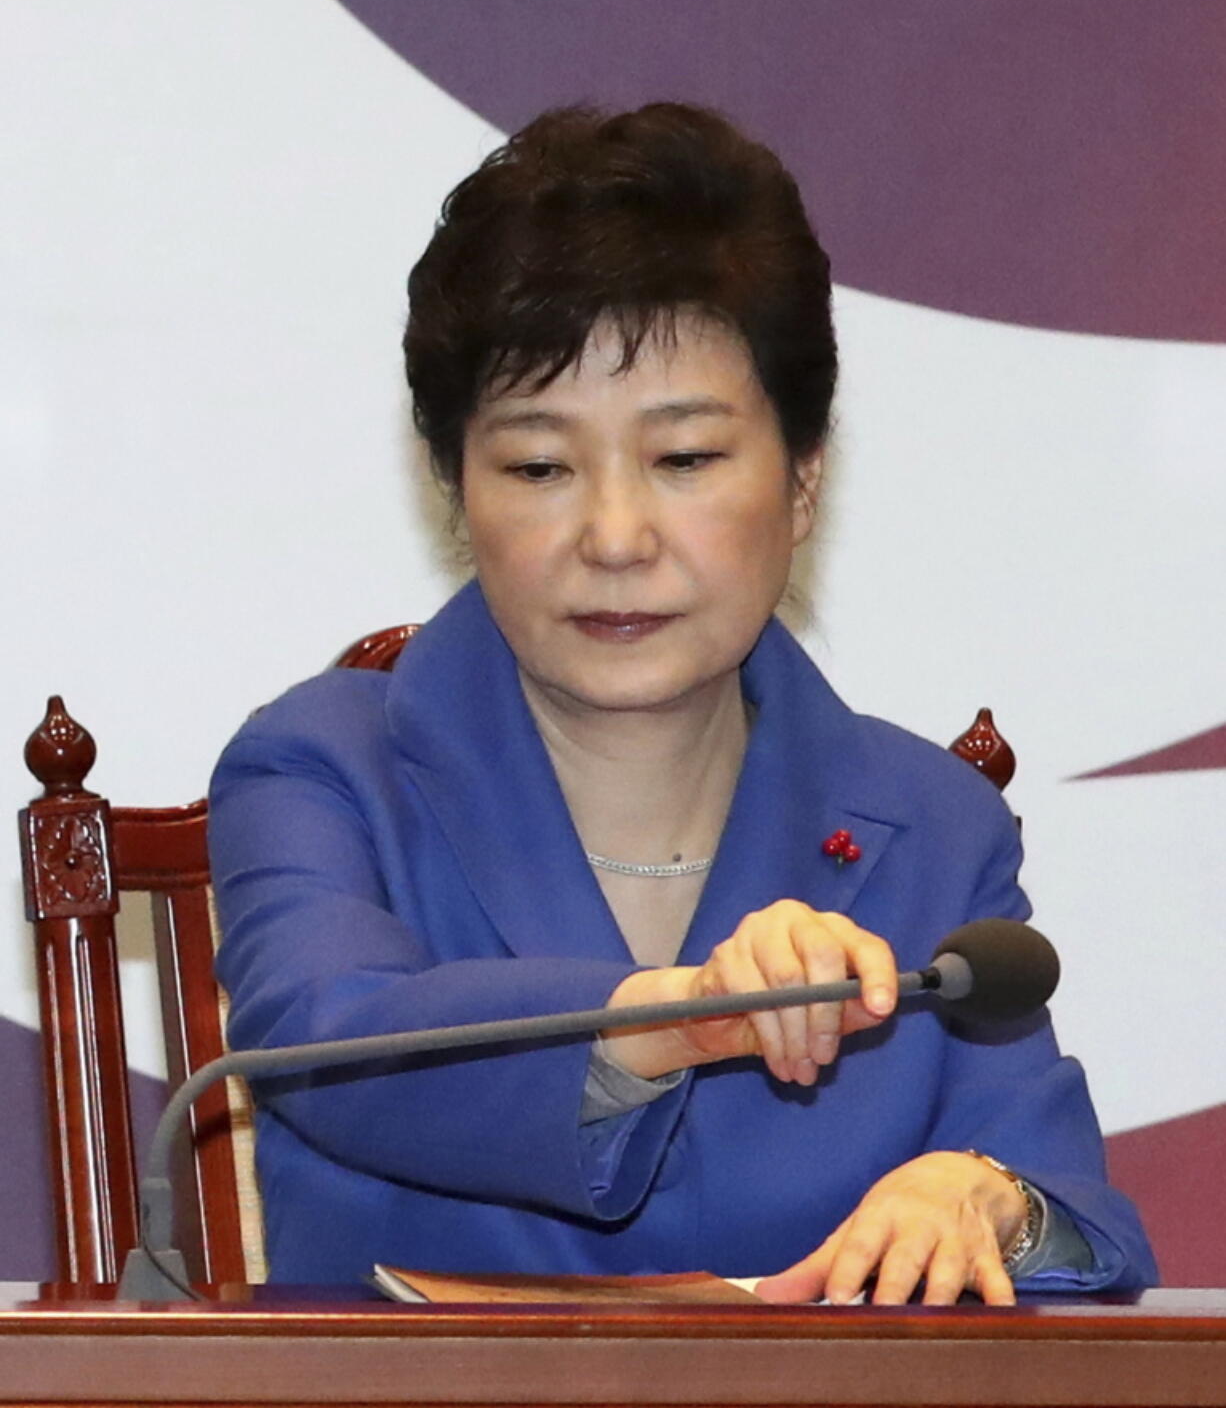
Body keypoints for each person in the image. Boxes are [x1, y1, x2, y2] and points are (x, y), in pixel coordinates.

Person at [209, 103, 1156, 1302]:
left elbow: (1077, 1218)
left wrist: (986, 1199)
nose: (614, 536)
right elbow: (330, 1038)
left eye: (686, 459)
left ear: (802, 479)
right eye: (539, 466)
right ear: (456, 486)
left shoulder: (932, 822)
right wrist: (668, 1016)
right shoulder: (321, 765)